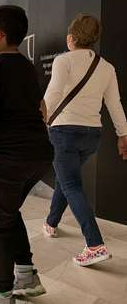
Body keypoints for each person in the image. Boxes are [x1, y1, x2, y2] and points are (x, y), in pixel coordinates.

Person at [0, 5, 54, 304]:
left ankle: (3, 291)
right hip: (39, 154)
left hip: (5, 160)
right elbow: (42, 108)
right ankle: (27, 275)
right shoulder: (27, 67)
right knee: (9, 212)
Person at [43, 14, 127, 266]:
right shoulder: (107, 67)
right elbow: (114, 104)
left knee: (71, 184)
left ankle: (94, 244)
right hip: (92, 135)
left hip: (64, 132)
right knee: (66, 179)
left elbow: (54, 93)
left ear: (71, 37)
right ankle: (51, 222)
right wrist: (123, 135)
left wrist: (38, 119)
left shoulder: (63, 60)